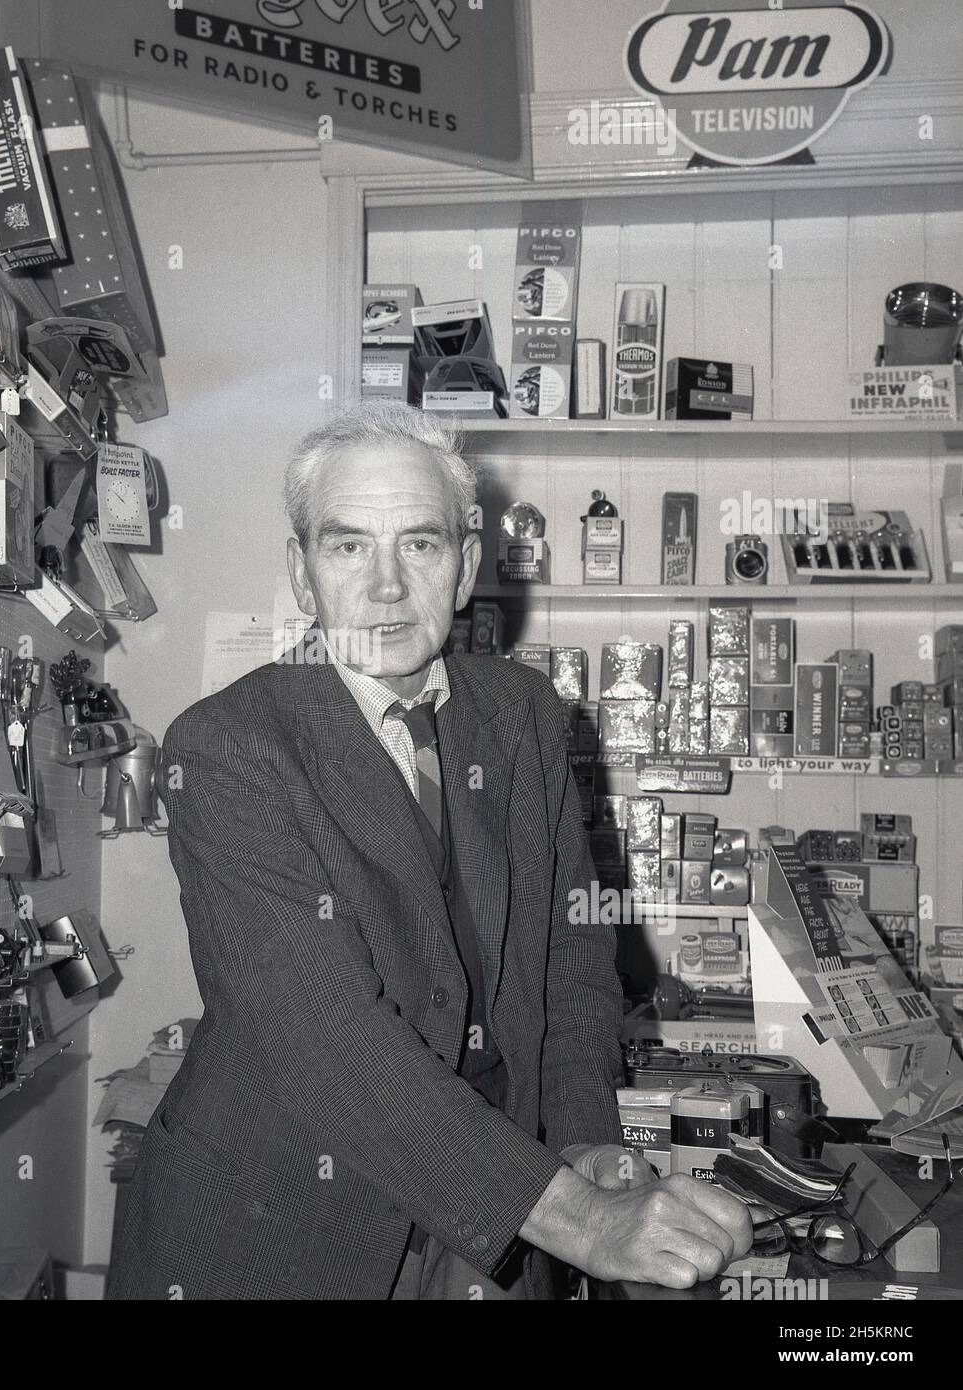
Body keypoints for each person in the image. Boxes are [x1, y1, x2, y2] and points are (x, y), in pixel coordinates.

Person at [107, 400, 751, 1299]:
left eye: (419, 544)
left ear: (465, 568)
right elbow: (325, 1038)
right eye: (345, 547)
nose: (384, 587)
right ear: (300, 572)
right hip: (283, 1226)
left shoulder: (522, 716)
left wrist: (582, 1142)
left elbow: (568, 955)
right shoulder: (226, 746)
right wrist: (578, 1215)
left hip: (499, 1216)